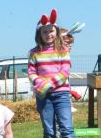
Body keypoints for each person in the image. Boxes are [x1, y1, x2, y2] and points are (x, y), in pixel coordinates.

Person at [28, 9, 76, 138]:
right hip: (43, 96)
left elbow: (64, 72)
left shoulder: (63, 50)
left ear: (57, 32)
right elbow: (31, 73)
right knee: (49, 131)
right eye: (45, 31)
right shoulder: (34, 53)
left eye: (51, 31)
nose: (48, 34)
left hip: (61, 94)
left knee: (66, 128)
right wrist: (41, 84)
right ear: (39, 34)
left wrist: (49, 84)